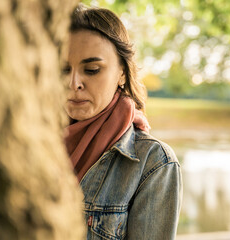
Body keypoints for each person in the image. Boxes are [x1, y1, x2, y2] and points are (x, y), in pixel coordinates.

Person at [63, 4, 182, 239]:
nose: (73, 83)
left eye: (92, 69)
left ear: (122, 74)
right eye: (62, 69)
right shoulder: (21, 145)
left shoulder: (154, 163)